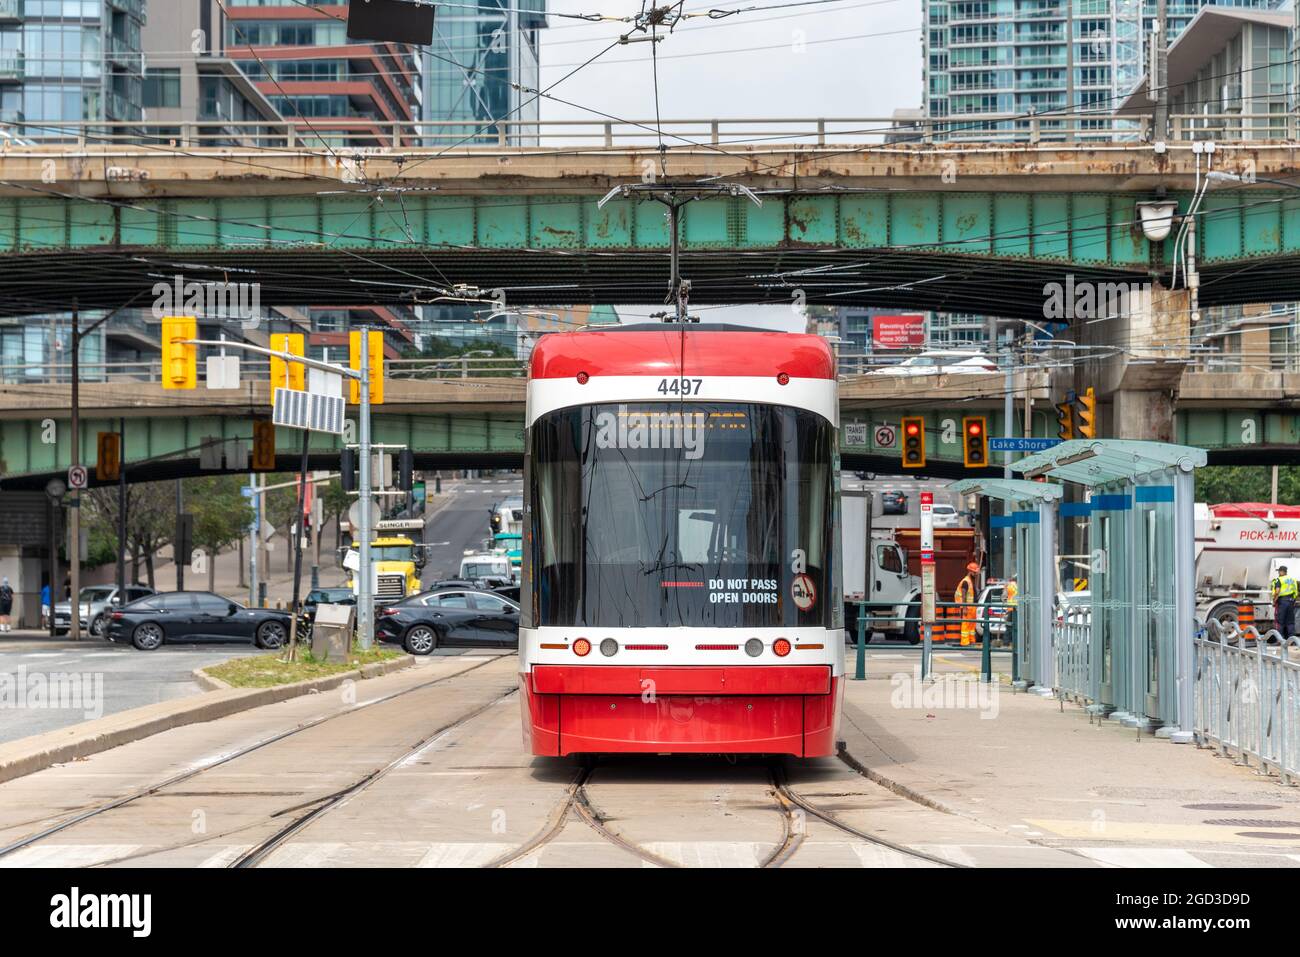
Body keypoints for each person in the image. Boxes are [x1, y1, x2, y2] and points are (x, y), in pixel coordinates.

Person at [955, 561, 979, 646]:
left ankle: (971, 640)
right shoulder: (966, 581)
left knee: (972, 625)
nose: (976, 574)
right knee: (966, 624)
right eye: (975, 572)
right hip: (967, 607)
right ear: (970, 571)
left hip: (972, 606)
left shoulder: (971, 580)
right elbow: (964, 596)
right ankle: (965, 642)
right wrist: (964, 608)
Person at [1271, 565, 1297, 638]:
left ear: (1280, 571)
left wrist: (1274, 601)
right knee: (1290, 622)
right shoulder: (1293, 579)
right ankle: (1292, 639)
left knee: (1280, 621)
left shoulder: (1279, 579)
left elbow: (1277, 591)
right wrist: (1293, 600)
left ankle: (1280, 639)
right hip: (1291, 601)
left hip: (1282, 601)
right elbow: (1296, 592)